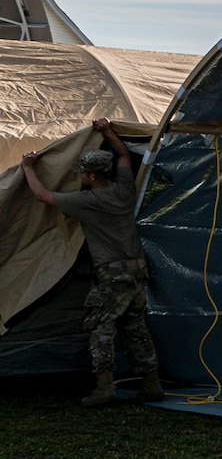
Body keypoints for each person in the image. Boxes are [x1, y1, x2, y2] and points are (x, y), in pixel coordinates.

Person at [19, 119, 164, 407]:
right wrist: (109, 132)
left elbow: (41, 195)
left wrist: (27, 168)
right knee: (135, 329)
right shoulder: (124, 190)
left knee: (101, 328)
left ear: (93, 177)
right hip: (136, 269)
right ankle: (152, 384)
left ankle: (104, 388)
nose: (80, 177)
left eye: (83, 173)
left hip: (112, 273)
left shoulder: (87, 201)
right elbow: (123, 156)